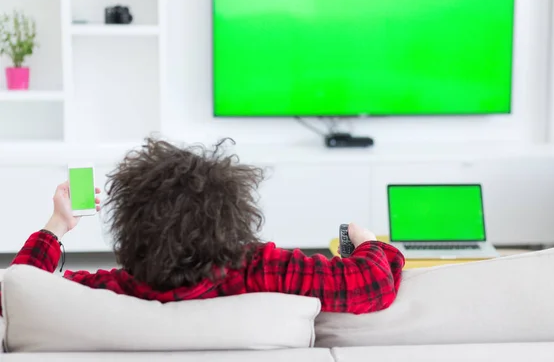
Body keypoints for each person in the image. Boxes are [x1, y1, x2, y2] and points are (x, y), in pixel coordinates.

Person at [1, 138, 404, 315]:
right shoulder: (263, 270)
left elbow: (15, 294)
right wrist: (371, 243)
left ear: (130, 228)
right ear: (234, 217)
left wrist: (57, 224)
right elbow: (372, 283)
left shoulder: (109, 292)